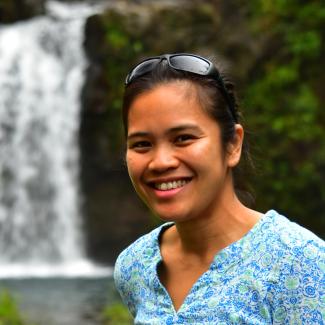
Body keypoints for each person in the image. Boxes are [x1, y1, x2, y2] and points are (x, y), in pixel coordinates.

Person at [114, 53, 325, 324]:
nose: (161, 162)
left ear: (232, 145)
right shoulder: (134, 266)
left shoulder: (300, 263)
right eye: (142, 144)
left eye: (183, 138)